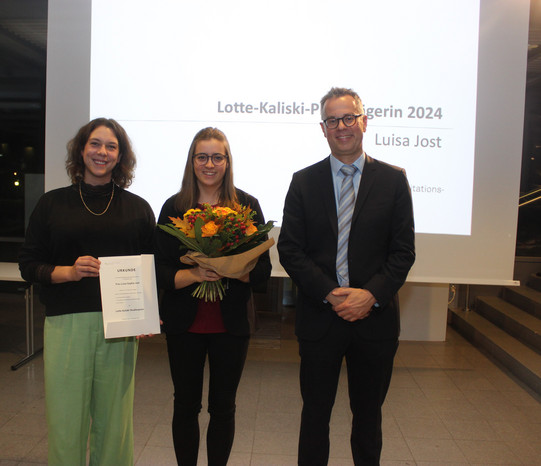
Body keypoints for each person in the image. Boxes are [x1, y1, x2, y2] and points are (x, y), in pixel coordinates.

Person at [277, 87, 415, 466]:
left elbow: (403, 252)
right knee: (314, 417)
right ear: (323, 128)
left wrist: (369, 296)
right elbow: (290, 248)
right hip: (321, 319)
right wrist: (331, 293)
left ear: (364, 122)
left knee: (368, 419)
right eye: (333, 120)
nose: (342, 126)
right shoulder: (304, 182)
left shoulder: (393, 180)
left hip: (375, 322)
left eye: (349, 117)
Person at [19, 118, 156, 465]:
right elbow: (29, 264)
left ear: (120, 156)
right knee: (66, 419)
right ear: (81, 150)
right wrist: (68, 271)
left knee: (115, 420)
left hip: (121, 328)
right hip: (67, 323)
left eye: (111, 146)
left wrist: (145, 315)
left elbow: (151, 269)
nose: (102, 152)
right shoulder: (52, 205)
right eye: (95, 144)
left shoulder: (138, 208)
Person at [154, 127, 271, 466]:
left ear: (227, 161)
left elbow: (262, 271)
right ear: (192, 162)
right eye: (202, 156)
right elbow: (160, 271)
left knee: (224, 407)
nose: (210, 164)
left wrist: (232, 269)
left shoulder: (246, 206)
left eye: (217, 157)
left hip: (231, 325)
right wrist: (195, 274)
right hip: (183, 324)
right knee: (185, 405)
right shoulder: (174, 207)